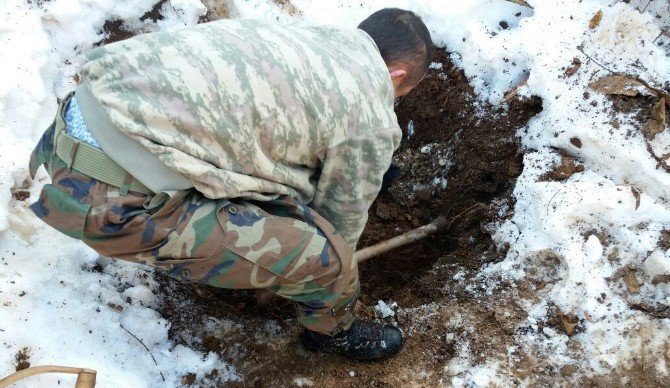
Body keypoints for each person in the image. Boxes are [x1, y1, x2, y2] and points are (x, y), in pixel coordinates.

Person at [28, 8, 433, 360]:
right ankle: (332, 335)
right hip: (103, 201)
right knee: (327, 261)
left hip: (61, 138)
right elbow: (338, 224)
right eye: (404, 91)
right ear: (397, 73)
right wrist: (325, 274)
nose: (396, 99)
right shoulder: (371, 118)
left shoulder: (298, 37)